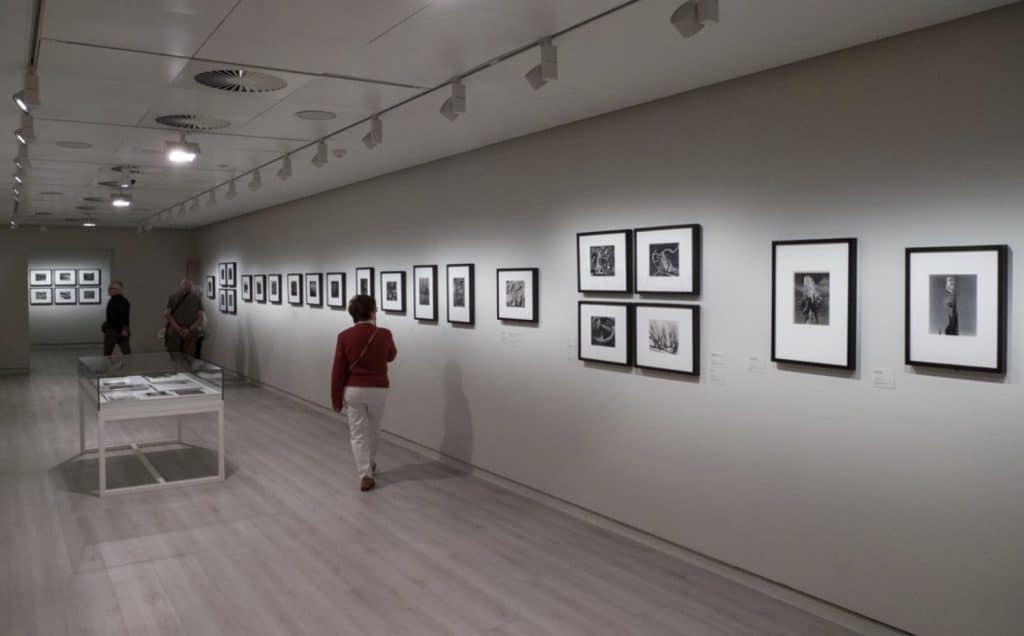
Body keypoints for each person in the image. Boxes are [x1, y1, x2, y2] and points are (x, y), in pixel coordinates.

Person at [331, 295, 397, 492]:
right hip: (379, 388)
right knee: (375, 428)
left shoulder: (344, 336)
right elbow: (391, 356)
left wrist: (336, 399)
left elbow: (338, 370)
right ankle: (371, 462)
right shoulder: (384, 334)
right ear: (372, 311)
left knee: (357, 433)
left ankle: (365, 474)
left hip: (354, 389)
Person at [164, 278, 205, 357]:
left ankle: (177, 369)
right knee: (189, 358)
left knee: (174, 357)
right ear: (190, 288)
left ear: (181, 287)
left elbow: (167, 314)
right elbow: (200, 318)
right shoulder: (197, 299)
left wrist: (178, 329)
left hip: (175, 332)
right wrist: (188, 329)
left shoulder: (172, 297)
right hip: (190, 333)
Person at [102, 280, 131, 355]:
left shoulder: (116, 301)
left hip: (113, 331)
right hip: (118, 330)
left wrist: (124, 329)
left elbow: (124, 317)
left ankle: (106, 366)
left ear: (117, 290)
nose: (108, 290)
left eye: (111, 288)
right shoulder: (123, 301)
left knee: (107, 354)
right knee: (126, 353)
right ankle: (130, 366)